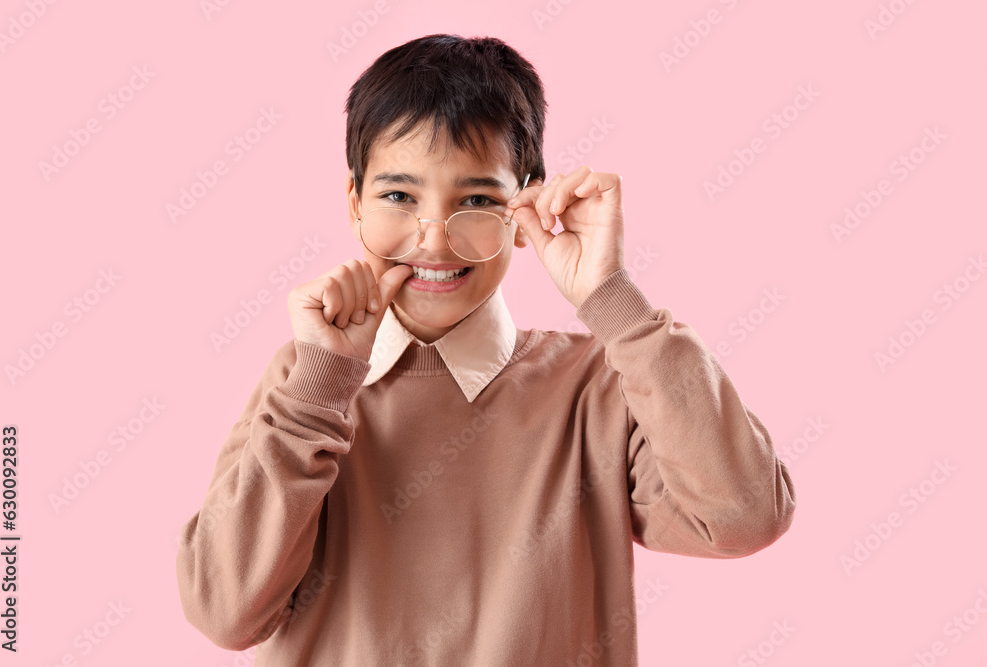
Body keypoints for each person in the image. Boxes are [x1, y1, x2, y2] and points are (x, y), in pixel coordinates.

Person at [175, 33, 796, 666]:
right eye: (398, 196)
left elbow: (745, 516)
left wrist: (616, 304)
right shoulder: (307, 384)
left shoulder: (600, 388)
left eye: (477, 200)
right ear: (355, 203)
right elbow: (225, 610)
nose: (435, 240)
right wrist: (321, 388)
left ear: (525, 207)